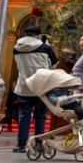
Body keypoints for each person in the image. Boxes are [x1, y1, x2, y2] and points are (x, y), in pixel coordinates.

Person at [12, 25, 57, 153]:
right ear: (38, 35)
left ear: (25, 34)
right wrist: (46, 44)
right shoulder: (44, 47)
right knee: (40, 116)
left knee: (24, 116)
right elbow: (54, 63)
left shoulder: (16, 48)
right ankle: (38, 143)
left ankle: (21, 144)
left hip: (24, 87)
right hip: (41, 87)